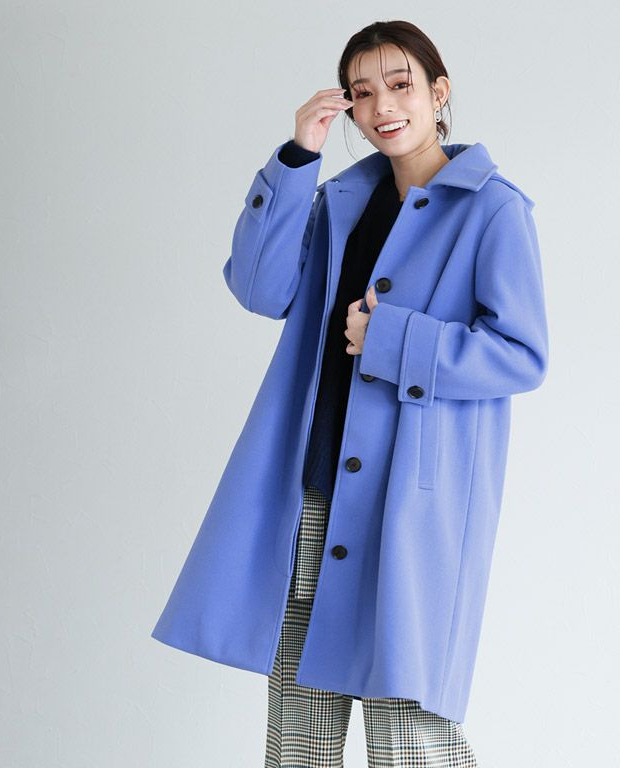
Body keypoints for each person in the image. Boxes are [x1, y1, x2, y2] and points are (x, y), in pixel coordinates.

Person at [151, 19, 549, 768]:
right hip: (314, 490)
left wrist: (392, 338)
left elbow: (521, 356)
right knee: (298, 735)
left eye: (400, 85)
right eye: (362, 93)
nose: (381, 107)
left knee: (409, 735)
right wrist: (297, 158)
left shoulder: (493, 208)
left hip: (409, 504)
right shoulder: (339, 202)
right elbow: (260, 289)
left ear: (439, 92)